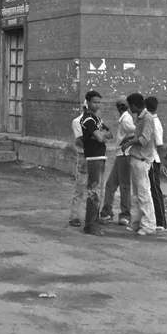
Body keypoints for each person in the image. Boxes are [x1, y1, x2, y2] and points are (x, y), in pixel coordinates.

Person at [122, 92, 156, 236]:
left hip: (142, 159)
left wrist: (129, 143)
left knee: (143, 194)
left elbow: (144, 139)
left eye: (130, 106)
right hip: (136, 158)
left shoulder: (147, 118)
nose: (129, 109)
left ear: (134, 105)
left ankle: (149, 225)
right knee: (136, 194)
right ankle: (136, 222)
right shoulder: (140, 118)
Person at [80, 90, 110, 236]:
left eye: (99, 102)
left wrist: (102, 134)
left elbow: (109, 133)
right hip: (93, 158)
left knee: (98, 192)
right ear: (88, 102)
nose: (97, 105)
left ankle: (91, 225)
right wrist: (101, 135)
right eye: (94, 102)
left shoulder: (97, 119)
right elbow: (99, 137)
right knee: (94, 193)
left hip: (100, 157)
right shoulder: (88, 120)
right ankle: (92, 226)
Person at [100, 95, 133, 226]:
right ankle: (107, 212)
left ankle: (125, 214)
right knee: (110, 185)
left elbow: (135, 132)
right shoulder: (124, 118)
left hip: (125, 154)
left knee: (124, 186)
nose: (121, 107)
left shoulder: (126, 118)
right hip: (120, 154)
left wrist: (126, 140)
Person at [145, 95, 167, 232]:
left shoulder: (154, 122)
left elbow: (159, 144)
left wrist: (162, 162)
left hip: (154, 160)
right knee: (151, 189)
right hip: (151, 159)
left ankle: (161, 221)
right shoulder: (151, 121)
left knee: (155, 190)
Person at [67, 99, 86, 227]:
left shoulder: (96, 120)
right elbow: (79, 141)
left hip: (94, 156)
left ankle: (91, 214)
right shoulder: (77, 121)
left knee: (94, 187)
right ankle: (74, 215)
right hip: (84, 155)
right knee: (80, 186)